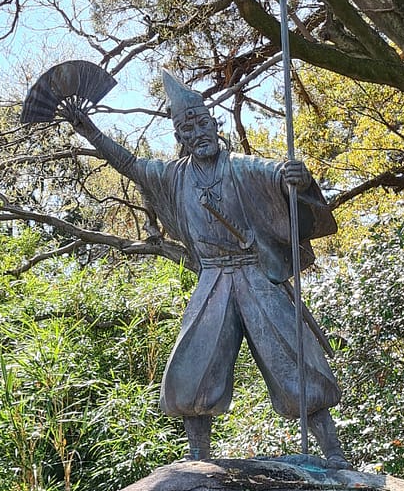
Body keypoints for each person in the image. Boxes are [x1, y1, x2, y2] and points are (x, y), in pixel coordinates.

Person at [72, 70, 348, 467]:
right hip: (214, 278)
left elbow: (275, 171)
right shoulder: (173, 176)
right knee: (194, 361)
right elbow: (130, 164)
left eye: (204, 123)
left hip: (255, 272)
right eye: (189, 128)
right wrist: (90, 131)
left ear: (216, 126)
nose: (199, 132)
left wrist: (297, 178)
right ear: (180, 139)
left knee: (292, 354)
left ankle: (333, 453)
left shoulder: (241, 166)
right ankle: (198, 454)